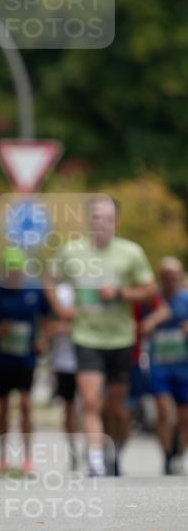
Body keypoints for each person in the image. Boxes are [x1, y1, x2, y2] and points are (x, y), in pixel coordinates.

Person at [47, 195, 156, 476]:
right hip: (86, 337)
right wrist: (61, 308)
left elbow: (150, 290)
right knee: (91, 401)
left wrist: (120, 293)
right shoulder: (72, 251)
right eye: (96, 218)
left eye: (107, 218)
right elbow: (50, 278)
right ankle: (95, 461)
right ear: (88, 220)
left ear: (116, 222)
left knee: (115, 408)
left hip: (121, 339)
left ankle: (115, 449)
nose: (101, 223)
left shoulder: (131, 252)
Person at [0, 248, 51, 472]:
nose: (15, 277)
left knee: (27, 404)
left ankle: (28, 458)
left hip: (26, 359)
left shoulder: (34, 292)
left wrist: (43, 339)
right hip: (0, 360)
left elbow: (47, 317)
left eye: (18, 272)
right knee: (3, 408)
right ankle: (3, 457)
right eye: (11, 273)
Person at [139, 257, 188, 474]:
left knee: (184, 417)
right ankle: (167, 454)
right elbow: (140, 329)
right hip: (159, 365)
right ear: (160, 278)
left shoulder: (186, 300)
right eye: (166, 277)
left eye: (174, 277)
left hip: (184, 366)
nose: (170, 281)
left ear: (180, 277)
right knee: (164, 411)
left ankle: (179, 451)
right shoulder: (152, 301)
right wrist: (154, 321)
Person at [47, 281, 80, 470]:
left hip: (90, 361)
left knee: (92, 405)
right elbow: (48, 328)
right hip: (64, 362)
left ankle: (93, 449)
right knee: (69, 409)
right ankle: (73, 448)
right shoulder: (59, 292)